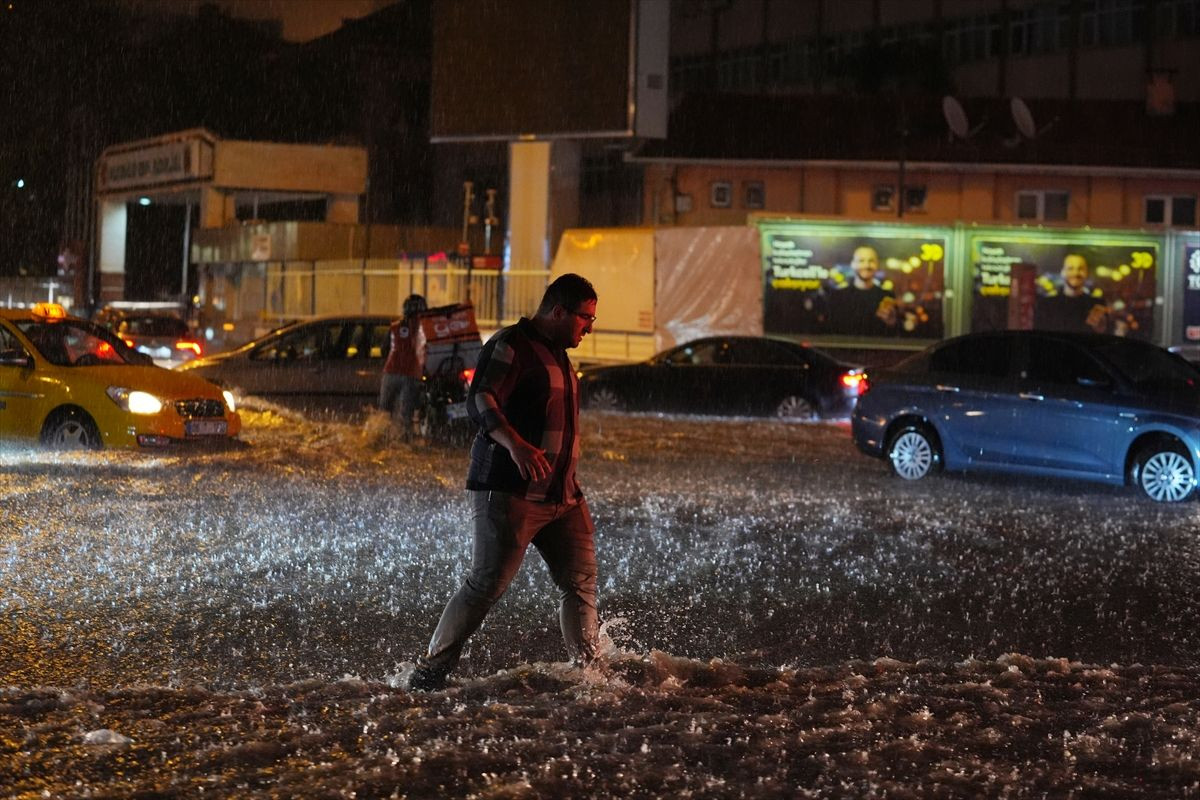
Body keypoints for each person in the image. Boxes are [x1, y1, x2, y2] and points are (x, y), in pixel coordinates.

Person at [407, 273, 599, 692]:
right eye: (586, 318)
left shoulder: (559, 355)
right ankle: (428, 675)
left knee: (581, 584)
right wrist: (515, 445)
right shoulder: (513, 345)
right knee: (485, 586)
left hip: (563, 497)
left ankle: (591, 675)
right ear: (558, 311)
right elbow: (480, 398)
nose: (590, 327)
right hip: (509, 492)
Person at [379, 294, 427, 438]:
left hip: (390, 373)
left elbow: (383, 350)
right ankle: (404, 441)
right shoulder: (424, 328)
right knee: (405, 416)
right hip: (411, 375)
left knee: (384, 412)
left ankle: (381, 438)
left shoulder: (394, 327)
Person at [825, 245, 898, 336]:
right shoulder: (838, 297)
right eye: (861, 261)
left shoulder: (887, 296)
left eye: (871, 261)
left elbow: (895, 335)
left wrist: (891, 323)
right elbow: (829, 331)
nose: (867, 265)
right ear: (853, 264)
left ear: (877, 265)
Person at [1034, 254, 1108, 333]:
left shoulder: (1097, 305)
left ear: (1086, 273)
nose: (1076, 273)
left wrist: (1101, 327)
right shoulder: (1046, 305)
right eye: (1070, 268)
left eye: (1081, 268)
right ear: (1062, 272)